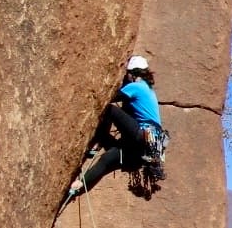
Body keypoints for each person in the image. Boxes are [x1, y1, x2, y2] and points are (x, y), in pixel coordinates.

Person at [60, 54, 167, 212]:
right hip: (145, 149)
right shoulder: (149, 90)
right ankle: (80, 185)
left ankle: (96, 144)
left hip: (142, 135)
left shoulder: (137, 86)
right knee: (108, 159)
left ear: (132, 74)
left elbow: (111, 97)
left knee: (109, 109)